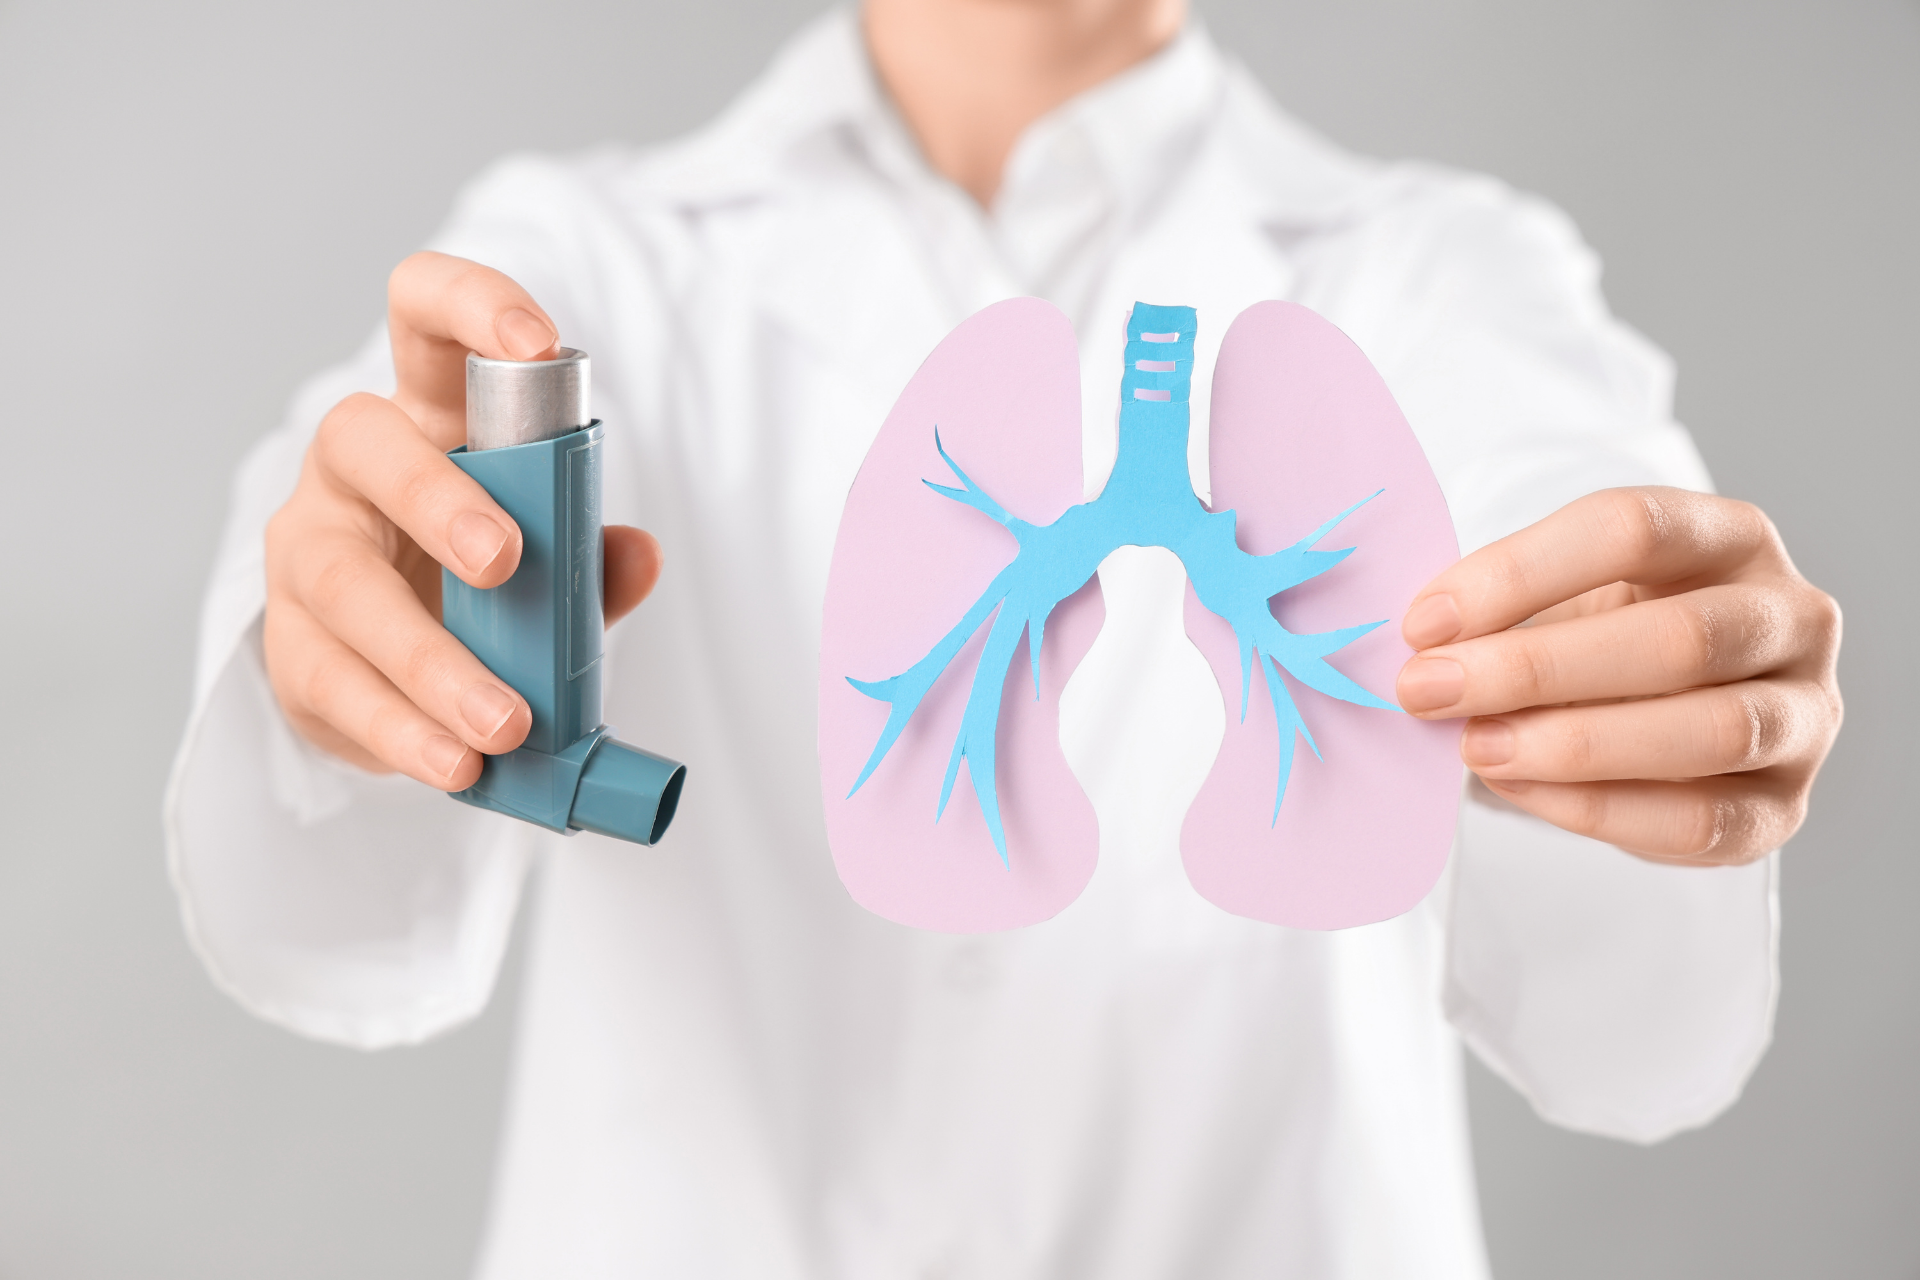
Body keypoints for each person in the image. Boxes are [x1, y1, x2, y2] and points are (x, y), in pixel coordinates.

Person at [165, 0, 1842, 1274]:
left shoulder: (1447, 278)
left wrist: (1648, 667)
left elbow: (1627, 997)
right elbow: (324, 895)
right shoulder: (582, 261)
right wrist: (340, 643)